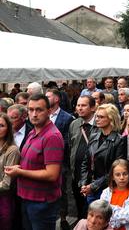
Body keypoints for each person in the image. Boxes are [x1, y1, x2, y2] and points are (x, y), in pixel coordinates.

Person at [5, 94, 64, 230]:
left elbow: (52, 174)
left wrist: (20, 171)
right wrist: (18, 167)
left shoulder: (52, 136)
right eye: (31, 110)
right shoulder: (34, 131)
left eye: (39, 110)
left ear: (49, 111)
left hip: (42, 203)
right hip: (28, 199)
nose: (34, 114)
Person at [80, 104, 124, 204]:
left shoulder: (119, 140)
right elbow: (85, 162)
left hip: (107, 189)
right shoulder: (94, 136)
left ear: (111, 119)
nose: (97, 119)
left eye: (101, 117)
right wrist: (84, 183)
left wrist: (93, 186)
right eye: (97, 116)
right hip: (90, 187)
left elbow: (115, 170)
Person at [45, 88, 74, 230]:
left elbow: (69, 141)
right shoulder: (44, 114)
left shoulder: (67, 118)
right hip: (44, 159)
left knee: (61, 190)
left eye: (48, 96)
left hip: (61, 160)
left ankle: (63, 216)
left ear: (56, 99)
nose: (45, 98)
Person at [69, 95, 98, 220]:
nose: (80, 108)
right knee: (80, 208)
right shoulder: (74, 124)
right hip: (77, 176)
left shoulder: (100, 123)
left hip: (94, 178)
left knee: (94, 211)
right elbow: (71, 145)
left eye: (83, 105)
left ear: (93, 108)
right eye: (78, 105)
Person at [100, 159, 129, 230]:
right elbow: (102, 212)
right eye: (117, 175)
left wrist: (108, 209)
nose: (122, 178)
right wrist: (120, 211)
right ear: (113, 177)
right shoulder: (107, 192)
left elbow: (126, 217)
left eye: (125, 174)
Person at [0, 113, 20, 230]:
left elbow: (7, 184)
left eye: (1, 125)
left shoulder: (12, 150)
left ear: (8, 128)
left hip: (3, 199)